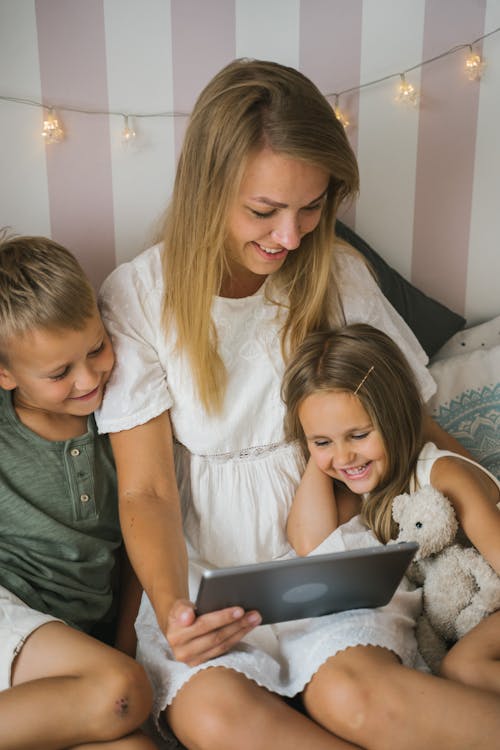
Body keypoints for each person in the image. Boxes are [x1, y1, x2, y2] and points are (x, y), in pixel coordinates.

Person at [95, 58, 500, 749]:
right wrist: (172, 609)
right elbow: (149, 491)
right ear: (206, 189)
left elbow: (411, 426)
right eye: (264, 210)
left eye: (312, 206)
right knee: (214, 716)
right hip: (203, 575)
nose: (290, 236)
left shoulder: (335, 273)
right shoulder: (138, 296)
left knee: (356, 696)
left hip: (334, 555)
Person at [282, 322, 500, 695]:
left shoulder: (443, 474)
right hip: (471, 612)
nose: (345, 456)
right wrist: (320, 456)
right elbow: (310, 542)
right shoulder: (366, 488)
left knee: (463, 667)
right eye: (323, 441)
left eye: (359, 435)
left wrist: (328, 442)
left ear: (395, 418)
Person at [0, 235, 155, 750]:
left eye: (96, 349)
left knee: (133, 735)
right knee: (122, 691)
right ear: (4, 373)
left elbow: (138, 547)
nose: (89, 379)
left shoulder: (123, 423)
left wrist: (124, 647)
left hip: (71, 647)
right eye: (59, 372)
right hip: (10, 616)